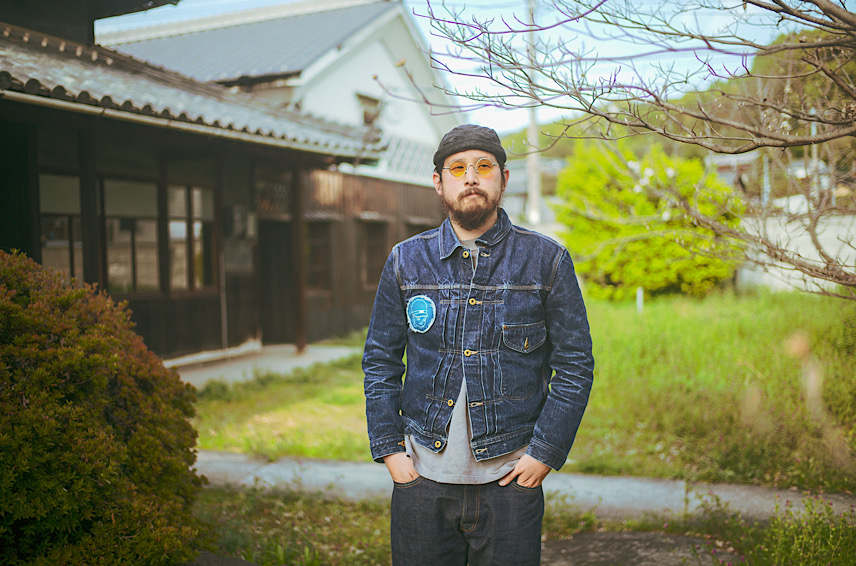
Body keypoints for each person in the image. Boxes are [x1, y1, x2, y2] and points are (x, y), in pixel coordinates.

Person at [363, 124, 594, 565]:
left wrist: (544, 454)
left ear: (503, 179)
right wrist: (391, 451)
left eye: (484, 166)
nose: (471, 177)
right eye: (458, 168)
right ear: (439, 182)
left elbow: (575, 365)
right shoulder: (406, 260)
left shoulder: (546, 260)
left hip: (510, 483)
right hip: (421, 481)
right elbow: (380, 361)